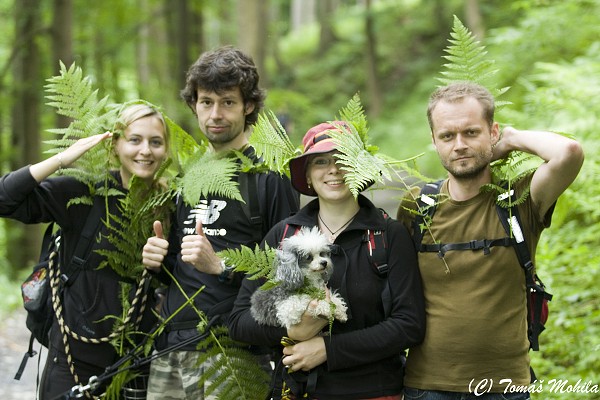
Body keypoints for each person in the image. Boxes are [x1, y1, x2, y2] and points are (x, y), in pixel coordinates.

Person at [396, 82, 584, 400]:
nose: (459, 145)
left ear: (492, 132)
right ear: (434, 141)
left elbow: (569, 152)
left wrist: (512, 139)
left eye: (471, 132)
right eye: (447, 135)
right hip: (427, 385)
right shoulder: (417, 206)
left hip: (504, 388)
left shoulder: (521, 199)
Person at [141, 46, 300, 399]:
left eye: (228, 102)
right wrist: (158, 260)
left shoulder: (269, 177)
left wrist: (223, 266)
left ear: (248, 106)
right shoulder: (187, 176)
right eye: (206, 101)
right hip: (173, 347)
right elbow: (185, 265)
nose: (216, 114)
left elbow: (291, 273)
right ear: (193, 104)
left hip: (236, 354)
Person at [227, 122, 427, 400]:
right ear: (307, 175)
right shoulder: (283, 236)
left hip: (374, 391)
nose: (334, 169)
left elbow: (409, 324)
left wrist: (327, 350)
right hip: (297, 390)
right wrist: (293, 328)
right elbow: (239, 322)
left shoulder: (388, 235)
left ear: (359, 168)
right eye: (321, 161)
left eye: (343, 158)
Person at [0, 103, 171, 399]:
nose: (146, 150)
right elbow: (4, 199)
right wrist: (61, 160)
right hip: (71, 361)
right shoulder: (85, 192)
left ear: (165, 150)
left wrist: (160, 264)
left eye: (155, 142)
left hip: (137, 367)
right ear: (115, 145)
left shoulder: (171, 204)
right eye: (135, 140)